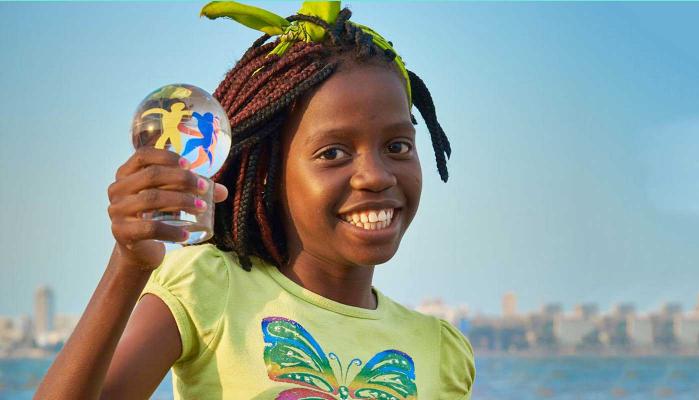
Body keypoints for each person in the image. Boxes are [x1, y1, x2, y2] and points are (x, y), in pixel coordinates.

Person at [35, 1, 475, 399]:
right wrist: (127, 266)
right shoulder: (207, 287)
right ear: (267, 170)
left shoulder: (438, 349)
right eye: (333, 153)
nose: (376, 176)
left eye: (398, 146)